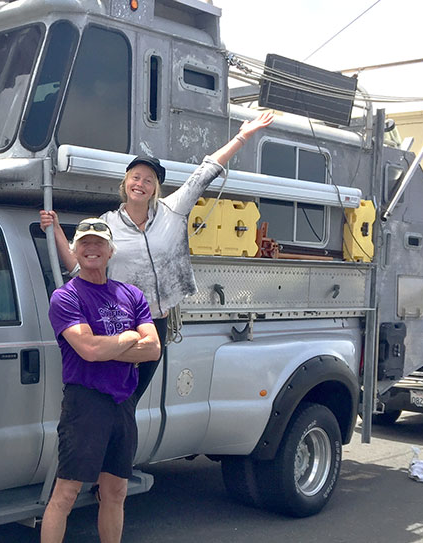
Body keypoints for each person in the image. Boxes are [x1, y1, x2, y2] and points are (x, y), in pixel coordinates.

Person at [40, 111, 275, 400]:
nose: (140, 183)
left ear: (155, 189)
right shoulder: (108, 223)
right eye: (135, 177)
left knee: (131, 399)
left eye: (148, 180)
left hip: (156, 322)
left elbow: (206, 171)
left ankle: (121, 441)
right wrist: (55, 231)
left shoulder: (173, 210)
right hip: (117, 321)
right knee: (115, 395)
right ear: (126, 183)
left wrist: (243, 136)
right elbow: (79, 265)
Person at [36, 218, 161, 543]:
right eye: (84, 243)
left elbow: (154, 348)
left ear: (110, 251)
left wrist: (111, 347)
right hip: (85, 402)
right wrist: (126, 339)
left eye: (99, 243)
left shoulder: (131, 294)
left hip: (122, 401)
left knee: (116, 491)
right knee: (66, 493)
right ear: (75, 250)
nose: (92, 249)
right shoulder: (66, 296)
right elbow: (88, 350)